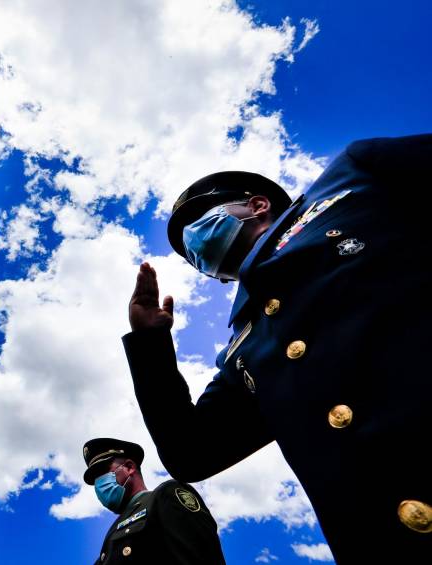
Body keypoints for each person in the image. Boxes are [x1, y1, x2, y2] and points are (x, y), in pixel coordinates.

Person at [123, 134, 432, 563]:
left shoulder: (353, 178)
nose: (194, 247)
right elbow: (190, 454)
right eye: (188, 256)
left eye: (199, 217)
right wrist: (149, 342)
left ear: (256, 204)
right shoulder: (244, 346)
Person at [83, 438, 225, 564]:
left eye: (103, 472)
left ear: (129, 467)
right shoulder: (112, 533)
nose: (99, 483)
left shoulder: (166, 496)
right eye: (95, 480)